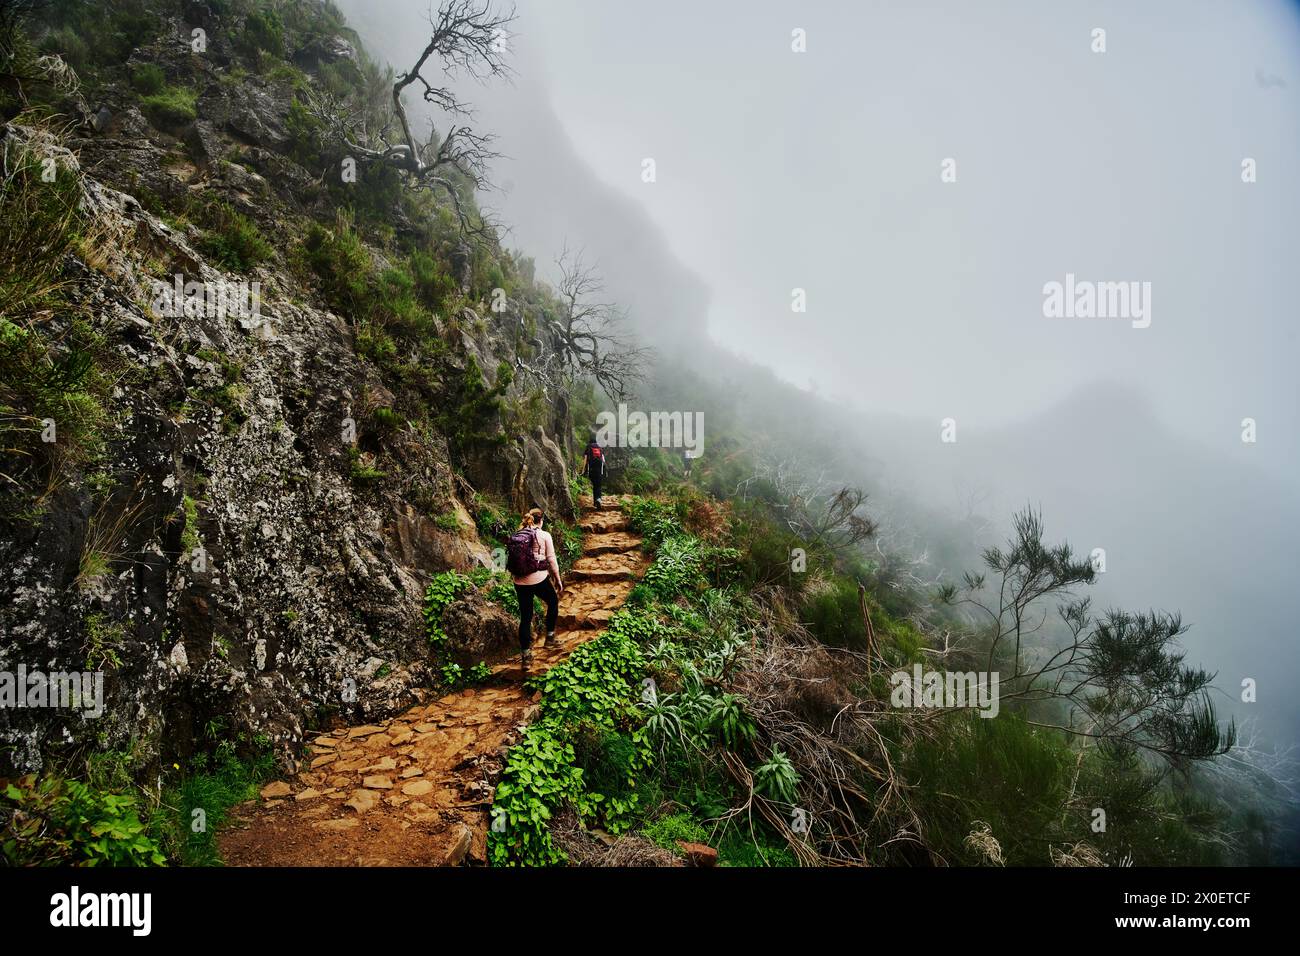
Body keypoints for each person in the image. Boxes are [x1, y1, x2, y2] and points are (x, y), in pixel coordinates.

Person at [508, 508, 563, 671]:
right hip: (538, 578)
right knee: (552, 601)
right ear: (542, 520)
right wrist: (557, 579)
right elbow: (552, 560)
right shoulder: (545, 535)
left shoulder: (518, 533)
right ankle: (550, 638)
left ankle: (526, 657)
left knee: (525, 617)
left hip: (519, 581)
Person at [582, 431, 607, 508]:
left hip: (592, 468)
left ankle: (595, 502)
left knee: (594, 485)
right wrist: (605, 470)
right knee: (598, 485)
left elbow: (585, 459)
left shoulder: (588, 446)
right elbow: (603, 460)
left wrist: (583, 470)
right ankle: (598, 499)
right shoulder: (600, 447)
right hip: (600, 468)